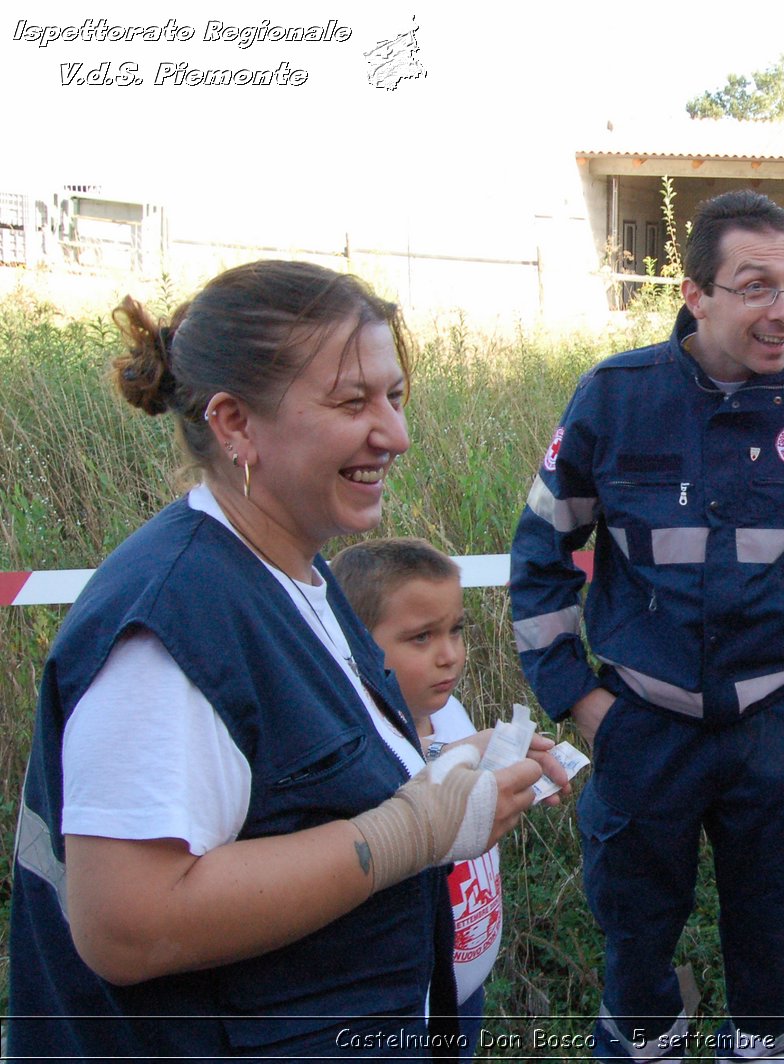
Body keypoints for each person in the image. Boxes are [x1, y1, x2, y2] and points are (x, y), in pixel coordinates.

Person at [5, 260, 568, 1059]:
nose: (396, 435)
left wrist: (445, 766)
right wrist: (411, 830)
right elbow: (124, 927)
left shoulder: (298, 573)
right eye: (352, 402)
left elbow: (304, 784)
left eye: (396, 397)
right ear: (234, 424)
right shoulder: (172, 630)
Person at [509, 188, 784, 1063]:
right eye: (757, 286)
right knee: (636, 934)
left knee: (770, 928)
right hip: (643, 728)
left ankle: (759, 1046)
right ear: (696, 293)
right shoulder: (614, 397)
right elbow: (539, 557)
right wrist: (579, 701)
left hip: (776, 727)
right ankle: (648, 1045)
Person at [331, 537, 504, 1058]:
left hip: (464, 990)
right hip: (404, 1013)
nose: (449, 656)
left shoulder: (451, 714)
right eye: (421, 638)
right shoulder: (358, 750)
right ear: (356, 642)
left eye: (456, 631)